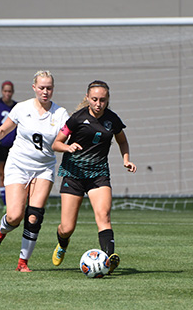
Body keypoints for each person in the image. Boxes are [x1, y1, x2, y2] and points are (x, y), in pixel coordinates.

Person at [0, 70, 69, 272]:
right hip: (18, 165)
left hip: (44, 168)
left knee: (34, 216)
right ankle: (0, 232)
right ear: (34, 87)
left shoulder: (60, 114)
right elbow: (3, 130)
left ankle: (22, 263)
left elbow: (66, 139)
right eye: (41, 87)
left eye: (49, 88)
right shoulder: (21, 108)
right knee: (15, 216)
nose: (45, 91)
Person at [51, 80, 137, 275]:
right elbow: (56, 143)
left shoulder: (112, 119)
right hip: (73, 174)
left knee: (104, 216)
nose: (99, 104)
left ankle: (109, 259)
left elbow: (122, 141)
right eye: (95, 99)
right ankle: (62, 244)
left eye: (103, 100)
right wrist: (68, 147)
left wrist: (126, 159)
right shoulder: (76, 119)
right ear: (87, 98)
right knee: (66, 228)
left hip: (98, 175)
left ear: (107, 100)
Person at [0, 80, 17, 211]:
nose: (7, 94)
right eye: (5, 91)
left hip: (15, 145)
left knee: (16, 173)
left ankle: (17, 201)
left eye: (9, 91)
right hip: (1, 144)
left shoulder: (17, 106)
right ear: (2, 91)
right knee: (2, 173)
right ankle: (6, 202)